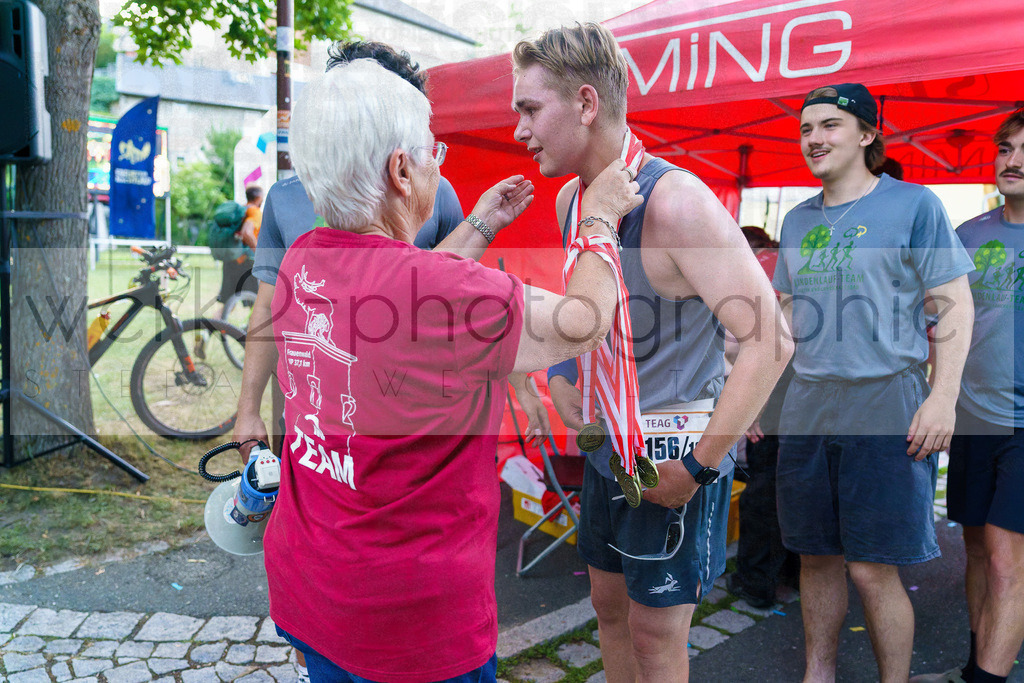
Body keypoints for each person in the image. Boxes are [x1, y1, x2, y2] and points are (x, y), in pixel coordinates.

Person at [263, 59, 641, 682]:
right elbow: (583, 322)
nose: (440, 165)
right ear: (401, 170)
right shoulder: (439, 290)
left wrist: (480, 225)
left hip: (314, 585)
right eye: (433, 152)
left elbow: (405, 296)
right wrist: (599, 220)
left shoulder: (306, 258)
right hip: (411, 622)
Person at [511, 23, 792, 682]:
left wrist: (699, 465)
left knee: (656, 631)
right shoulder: (569, 200)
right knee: (608, 607)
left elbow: (770, 338)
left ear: (585, 104)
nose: (519, 128)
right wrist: (559, 374)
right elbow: (590, 307)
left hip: (673, 452)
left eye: (530, 108)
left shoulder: (679, 204)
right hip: (610, 444)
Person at [773, 83, 975, 683]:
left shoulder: (914, 204)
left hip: (888, 399)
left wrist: (942, 399)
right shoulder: (796, 218)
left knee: (871, 568)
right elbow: (784, 317)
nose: (814, 139)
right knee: (815, 556)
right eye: (807, 128)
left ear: (867, 135)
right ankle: (819, 674)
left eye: (830, 126)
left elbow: (956, 305)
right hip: (808, 404)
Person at [234, 40, 467, 457]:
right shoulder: (285, 198)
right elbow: (269, 307)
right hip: (313, 425)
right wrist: (248, 408)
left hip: (406, 430)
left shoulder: (437, 191)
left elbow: (460, 295)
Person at [911, 110, 1024, 683]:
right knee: (977, 551)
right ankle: (974, 663)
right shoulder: (968, 236)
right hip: (975, 417)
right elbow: (935, 321)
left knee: (1008, 562)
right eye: (1005, 148)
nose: (1014, 160)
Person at [726, 226, 799, 609]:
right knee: (788, 488)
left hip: (774, 388)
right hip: (797, 390)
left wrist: (752, 406)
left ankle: (757, 582)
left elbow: (761, 347)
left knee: (766, 493)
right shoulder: (787, 272)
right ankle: (786, 574)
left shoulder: (751, 278)